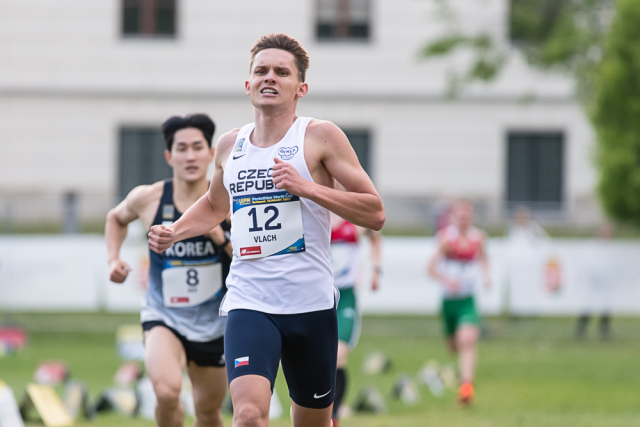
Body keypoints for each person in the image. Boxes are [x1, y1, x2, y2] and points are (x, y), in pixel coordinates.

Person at [148, 33, 385, 427]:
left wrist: (307, 187)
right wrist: (175, 230)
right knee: (248, 415)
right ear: (248, 85)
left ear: (301, 88)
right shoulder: (230, 145)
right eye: (261, 71)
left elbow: (374, 212)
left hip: (310, 304)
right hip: (250, 301)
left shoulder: (320, 136)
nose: (269, 77)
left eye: (281, 72)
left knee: (312, 422)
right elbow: (215, 205)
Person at [106, 114, 232, 427]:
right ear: (169, 156)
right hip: (164, 316)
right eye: (182, 148)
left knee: (208, 411)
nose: (190, 156)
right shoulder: (148, 198)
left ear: (211, 153)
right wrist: (113, 259)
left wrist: (221, 239)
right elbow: (115, 218)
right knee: (166, 392)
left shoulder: (230, 200)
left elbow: (252, 257)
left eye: (197, 147)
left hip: (216, 323)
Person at [427, 200, 490, 406]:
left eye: (466, 215)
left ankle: (466, 388)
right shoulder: (446, 238)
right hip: (449, 302)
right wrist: (447, 281)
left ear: (471, 217)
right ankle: (459, 376)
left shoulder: (478, 238)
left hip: (467, 300)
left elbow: (484, 258)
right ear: (453, 217)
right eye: (460, 215)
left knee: (468, 339)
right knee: (454, 347)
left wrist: (487, 276)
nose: (463, 219)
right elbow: (430, 268)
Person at [329, 208, 381, 427]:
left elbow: (375, 233)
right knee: (320, 357)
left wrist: (376, 269)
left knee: (339, 354)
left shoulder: (352, 220)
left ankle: (334, 415)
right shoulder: (316, 215)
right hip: (319, 297)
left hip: (346, 297)